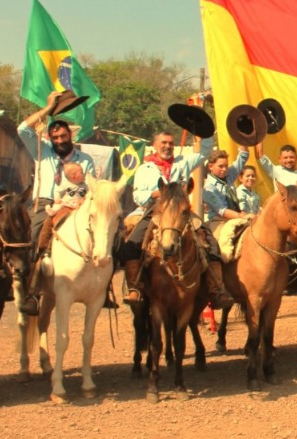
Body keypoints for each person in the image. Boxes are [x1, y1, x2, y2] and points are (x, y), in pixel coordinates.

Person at [118, 127, 230, 308]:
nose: (167, 146)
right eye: (163, 143)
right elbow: (137, 196)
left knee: (209, 241)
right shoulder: (145, 168)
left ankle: (216, 289)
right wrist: (158, 194)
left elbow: (205, 151)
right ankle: (135, 288)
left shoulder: (182, 162)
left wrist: (203, 127)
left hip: (180, 213)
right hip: (152, 211)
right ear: (155, 145)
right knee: (133, 243)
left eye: (170, 143)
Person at [17, 91, 96, 316]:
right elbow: (22, 129)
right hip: (46, 204)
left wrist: (80, 202)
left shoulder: (85, 160)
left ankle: (104, 287)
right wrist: (48, 108)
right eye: (55, 138)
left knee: (103, 235)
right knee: (32, 240)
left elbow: (91, 187)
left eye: (62, 136)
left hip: (77, 205)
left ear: (70, 135)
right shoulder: (42, 151)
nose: (59, 141)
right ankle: (31, 293)